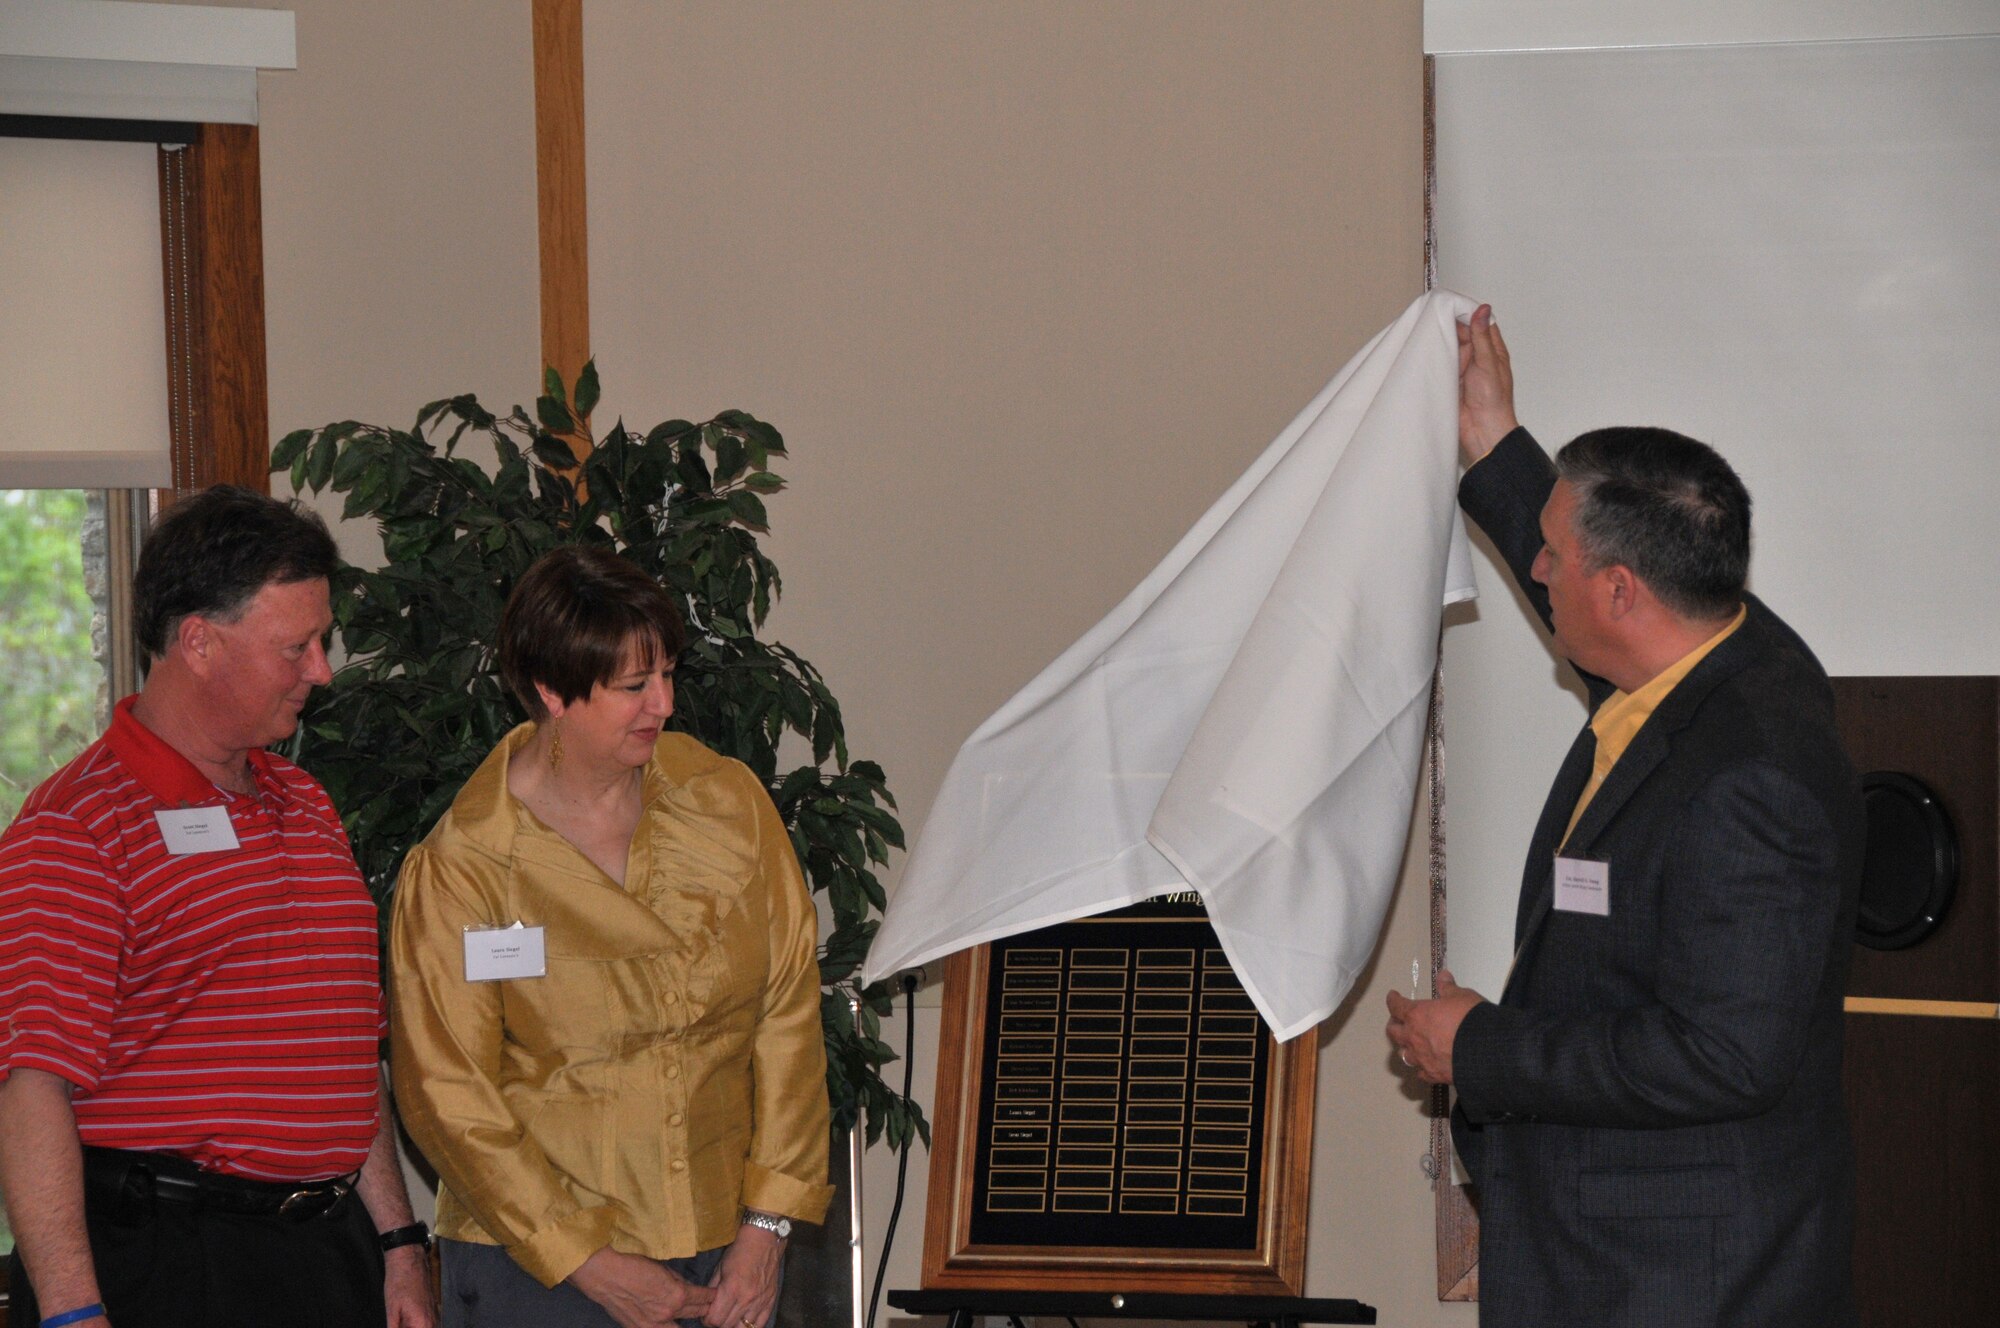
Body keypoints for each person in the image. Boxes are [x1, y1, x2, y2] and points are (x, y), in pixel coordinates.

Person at [1386, 307, 1864, 1325]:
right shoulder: (1715, 651)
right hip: (1619, 1260)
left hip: (1677, 1284)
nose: (1537, 568)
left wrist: (1480, 1048)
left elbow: (1726, 1052)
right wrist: (1492, 440)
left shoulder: (1751, 776)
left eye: (1554, 554)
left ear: (1620, 590)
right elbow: (1577, 552)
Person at [0, 486, 435, 1328]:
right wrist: (69, 1314)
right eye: (296, 646)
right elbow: (32, 1088)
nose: (322, 669)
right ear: (198, 641)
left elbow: (343, 1051)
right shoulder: (76, 824)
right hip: (171, 1261)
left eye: (322, 641)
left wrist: (397, 1242)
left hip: (325, 1249)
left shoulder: (307, 803)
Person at [388, 545, 832, 1328]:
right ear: (553, 692)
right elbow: (447, 1096)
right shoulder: (465, 865)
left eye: (668, 675)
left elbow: (788, 1016)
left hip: (726, 1252)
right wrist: (586, 1261)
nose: (662, 703)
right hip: (539, 1268)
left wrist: (767, 1229)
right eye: (633, 687)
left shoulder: (725, 802)